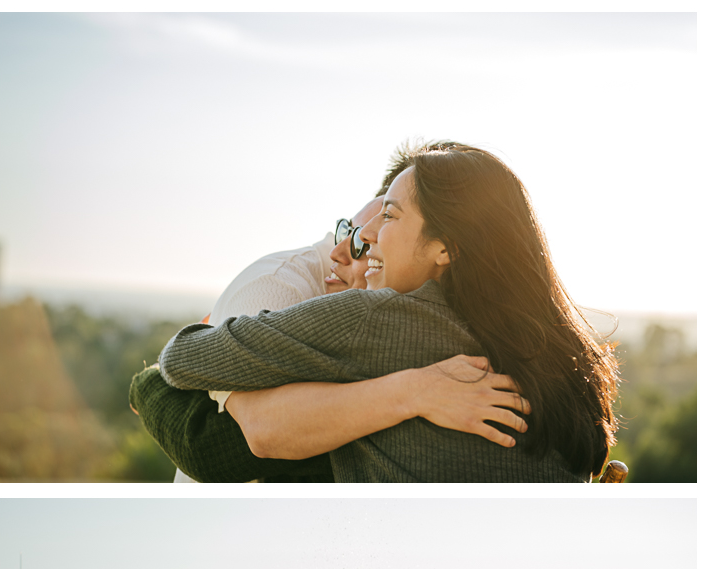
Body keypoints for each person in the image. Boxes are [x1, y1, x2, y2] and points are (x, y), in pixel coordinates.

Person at [132, 141, 618, 482]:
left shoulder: (379, 321)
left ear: (444, 248)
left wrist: (214, 374)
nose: (369, 237)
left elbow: (185, 357)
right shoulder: (567, 359)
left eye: (389, 217)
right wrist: (412, 392)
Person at [171, 198, 383, 482]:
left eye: (361, 243)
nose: (336, 253)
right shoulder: (280, 289)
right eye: (345, 231)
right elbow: (235, 438)